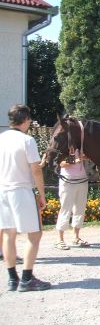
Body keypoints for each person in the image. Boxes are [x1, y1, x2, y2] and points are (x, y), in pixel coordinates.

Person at [0, 104, 51, 292]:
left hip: (3, 190)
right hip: (21, 190)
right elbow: (36, 169)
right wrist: (42, 194)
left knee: (8, 234)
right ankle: (27, 278)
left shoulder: (1, 138)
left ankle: (12, 278)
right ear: (27, 120)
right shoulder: (27, 140)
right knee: (34, 235)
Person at [54, 148, 89, 250]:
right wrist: (75, 160)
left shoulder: (81, 146)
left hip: (82, 179)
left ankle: (76, 237)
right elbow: (61, 163)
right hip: (67, 180)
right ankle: (59, 240)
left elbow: (88, 156)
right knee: (65, 208)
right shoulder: (63, 147)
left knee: (80, 209)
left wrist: (85, 156)